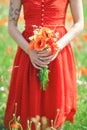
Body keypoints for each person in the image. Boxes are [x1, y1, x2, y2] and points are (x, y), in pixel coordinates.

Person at [4, 0, 84, 130]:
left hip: (57, 51)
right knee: (29, 105)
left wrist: (57, 46)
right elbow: (11, 26)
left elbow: (79, 23)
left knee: (55, 103)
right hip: (28, 50)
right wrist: (29, 51)